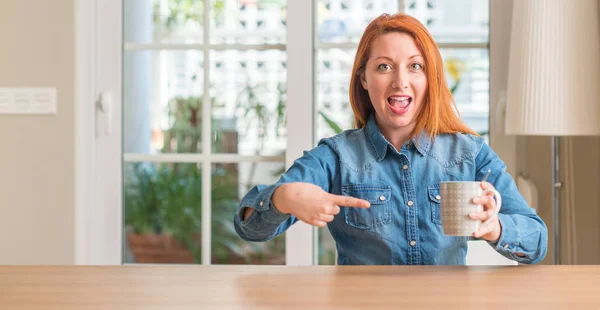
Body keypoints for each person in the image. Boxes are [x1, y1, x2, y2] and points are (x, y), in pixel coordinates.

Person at [233, 13, 548, 265]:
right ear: (364, 79)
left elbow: (537, 242)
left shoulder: (471, 153)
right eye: (384, 66)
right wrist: (283, 198)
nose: (400, 81)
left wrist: (494, 227)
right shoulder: (335, 157)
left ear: (430, 77)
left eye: (415, 66)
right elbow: (248, 227)